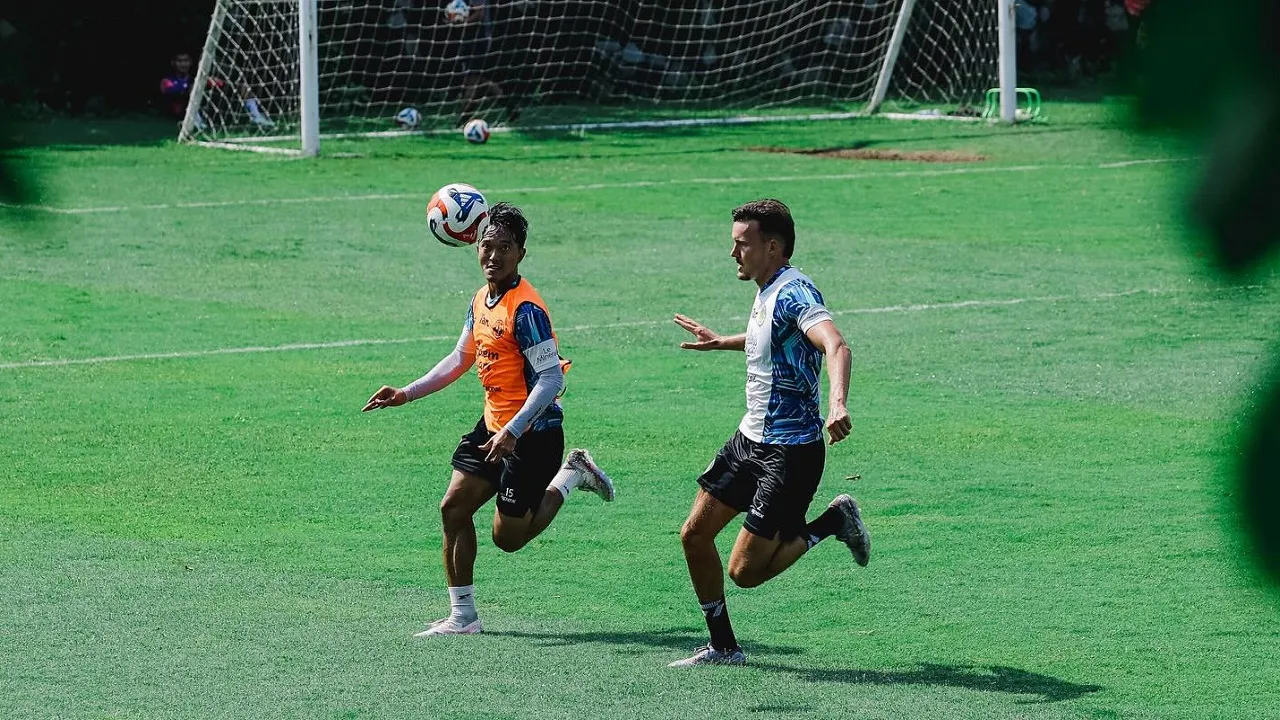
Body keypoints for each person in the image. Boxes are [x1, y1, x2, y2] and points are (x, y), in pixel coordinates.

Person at [363, 201, 615, 637]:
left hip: (533, 435)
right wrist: (406, 393)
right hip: (493, 428)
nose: (492, 256)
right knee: (453, 508)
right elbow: (460, 358)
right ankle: (464, 617)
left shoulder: (527, 309)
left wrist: (514, 431)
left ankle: (571, 475)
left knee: (509, 539)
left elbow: (552, 379)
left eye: (504, 247)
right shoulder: (481, 299)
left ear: (520, 253)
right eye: (486, 246)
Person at [668, 198, 870, 667]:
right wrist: (724, 341)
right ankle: (723, 647)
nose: (733, 254)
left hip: (789, 454)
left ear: (773, 247)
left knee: (745, 571)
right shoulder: (767, 287)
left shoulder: (796, 293)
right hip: (748, 441)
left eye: (742, 245)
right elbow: (773, 336)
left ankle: (833, 521)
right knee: (693, 536)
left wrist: (837, 403)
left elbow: (835, 344)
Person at [160, 52, 274, 130]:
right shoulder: (168, 80)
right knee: (194, 87)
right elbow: (172, 96)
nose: (183, 64)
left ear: (190, 63)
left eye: (186, 61)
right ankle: (196, 122)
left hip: (205, 106)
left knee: (242, 87)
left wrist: (214, 82)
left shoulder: (194, 77)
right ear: (173, 63)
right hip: (181, 110)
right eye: (180, 61)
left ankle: (256, 116)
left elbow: (222, 85)